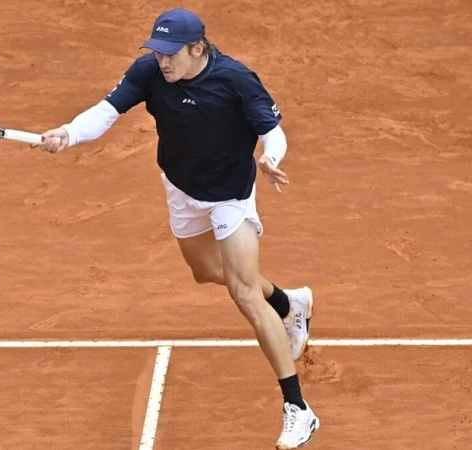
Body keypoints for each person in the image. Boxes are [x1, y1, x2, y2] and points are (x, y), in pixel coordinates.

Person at [35, 8, 319, 449]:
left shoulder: (236, 80)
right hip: (181, 187)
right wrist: (68, 133)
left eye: (171, 53)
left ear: (197, 48)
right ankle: (289, 302)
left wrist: (270, 157)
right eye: (158, 52)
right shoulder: (149, 72)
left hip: (229, 195)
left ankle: (298, 408)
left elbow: (273, 131)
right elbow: (107, 111)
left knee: (244, 292)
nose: (163, 61)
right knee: (206, 271)